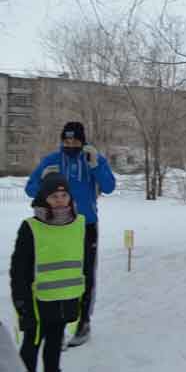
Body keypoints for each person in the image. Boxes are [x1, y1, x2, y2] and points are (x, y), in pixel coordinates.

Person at [25, 121, 116, 347]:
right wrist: (44, 180)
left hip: (86, 226)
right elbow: (30, 189)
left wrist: (96, 166)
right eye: (66, 141)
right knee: (59, 275)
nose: (70, 144)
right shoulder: (52, 161)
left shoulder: (92, 159)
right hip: (56, 227)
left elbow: (109, 187)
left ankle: (84, 322)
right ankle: (58, 322)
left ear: (82, 141)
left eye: (75, 140)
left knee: (85, 275)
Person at [11, 173, 85, 372]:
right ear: (44, 198)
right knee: (31, 346)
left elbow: (81, 263)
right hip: (37, 303)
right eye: (54, 196)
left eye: (64, 195)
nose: (60, 201)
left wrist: (81, 299)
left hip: (65, 300)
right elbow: (18, 270)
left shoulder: (79, 224)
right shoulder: (31, 227)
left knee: (54, 346)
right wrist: (22, 304)